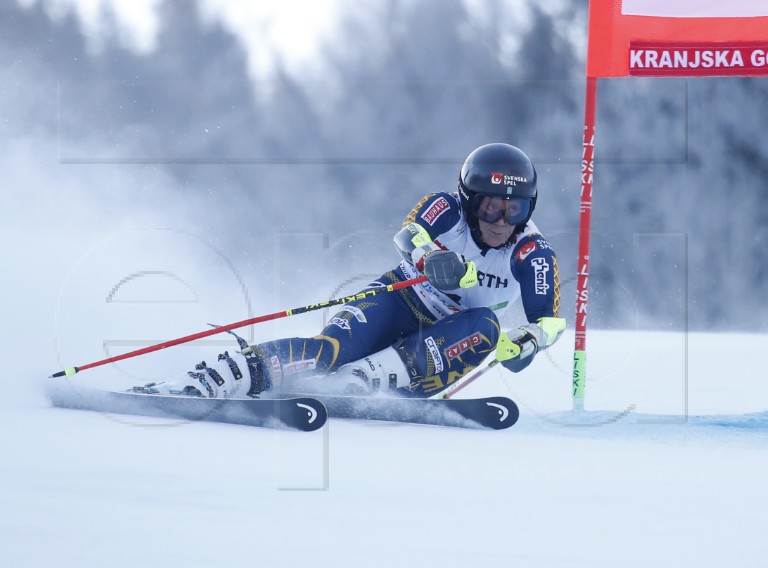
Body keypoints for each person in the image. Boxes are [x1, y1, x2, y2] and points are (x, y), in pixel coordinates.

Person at [139, 143, 566, 399]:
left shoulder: (533, 252)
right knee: (329, 352)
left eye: (516, 207)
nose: (501, 219)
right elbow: (409, 234)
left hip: (450, 335)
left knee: (487, 326)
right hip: (399, 298)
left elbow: (550, 323)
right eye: (490, 205)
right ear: (469, 199)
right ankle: (220, 377)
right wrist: (432, 259)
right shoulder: (447, 206)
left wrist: (529, 341)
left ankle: (364, 382)